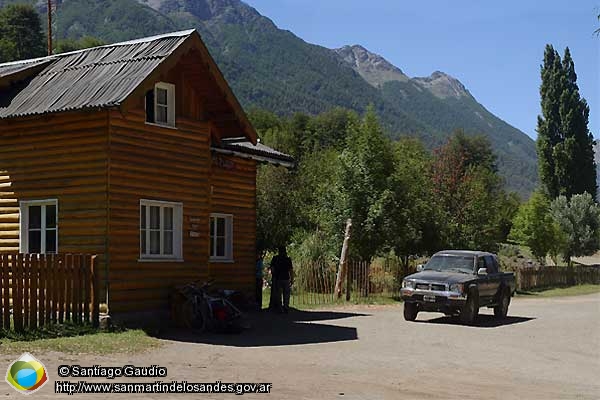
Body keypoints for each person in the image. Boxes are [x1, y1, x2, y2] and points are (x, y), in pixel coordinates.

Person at [271, 246, 293, 313]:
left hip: (278, 278)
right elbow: (291, 270)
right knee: (286, 294)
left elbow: (272, 268)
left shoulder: (275, 258)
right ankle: (286, 307)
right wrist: (292, 278)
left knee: (278, 294)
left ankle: (280, 308)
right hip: (286, 278)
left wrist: (273, 275)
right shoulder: (288, 259)